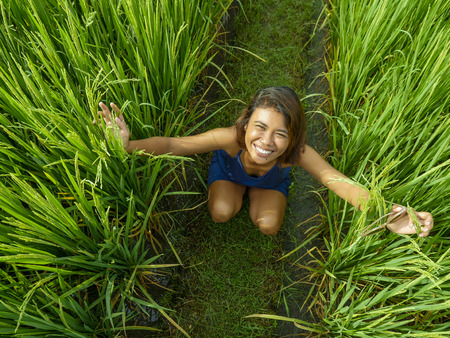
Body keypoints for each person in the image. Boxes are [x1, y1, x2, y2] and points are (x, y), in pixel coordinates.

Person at [97, 86, 433, 237]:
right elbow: (175, 144)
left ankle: (256, 196)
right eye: (259, 128)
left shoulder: (298, 154)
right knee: (221, 213)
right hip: (229, 173)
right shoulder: (230, 138)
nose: (267, 142)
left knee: (269, 226)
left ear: (293, 136)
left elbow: (337, 181)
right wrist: (128, 146)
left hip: (270, 182)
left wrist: (388, 213)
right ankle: (234, 193)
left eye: (280, 134)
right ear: (246, 125)